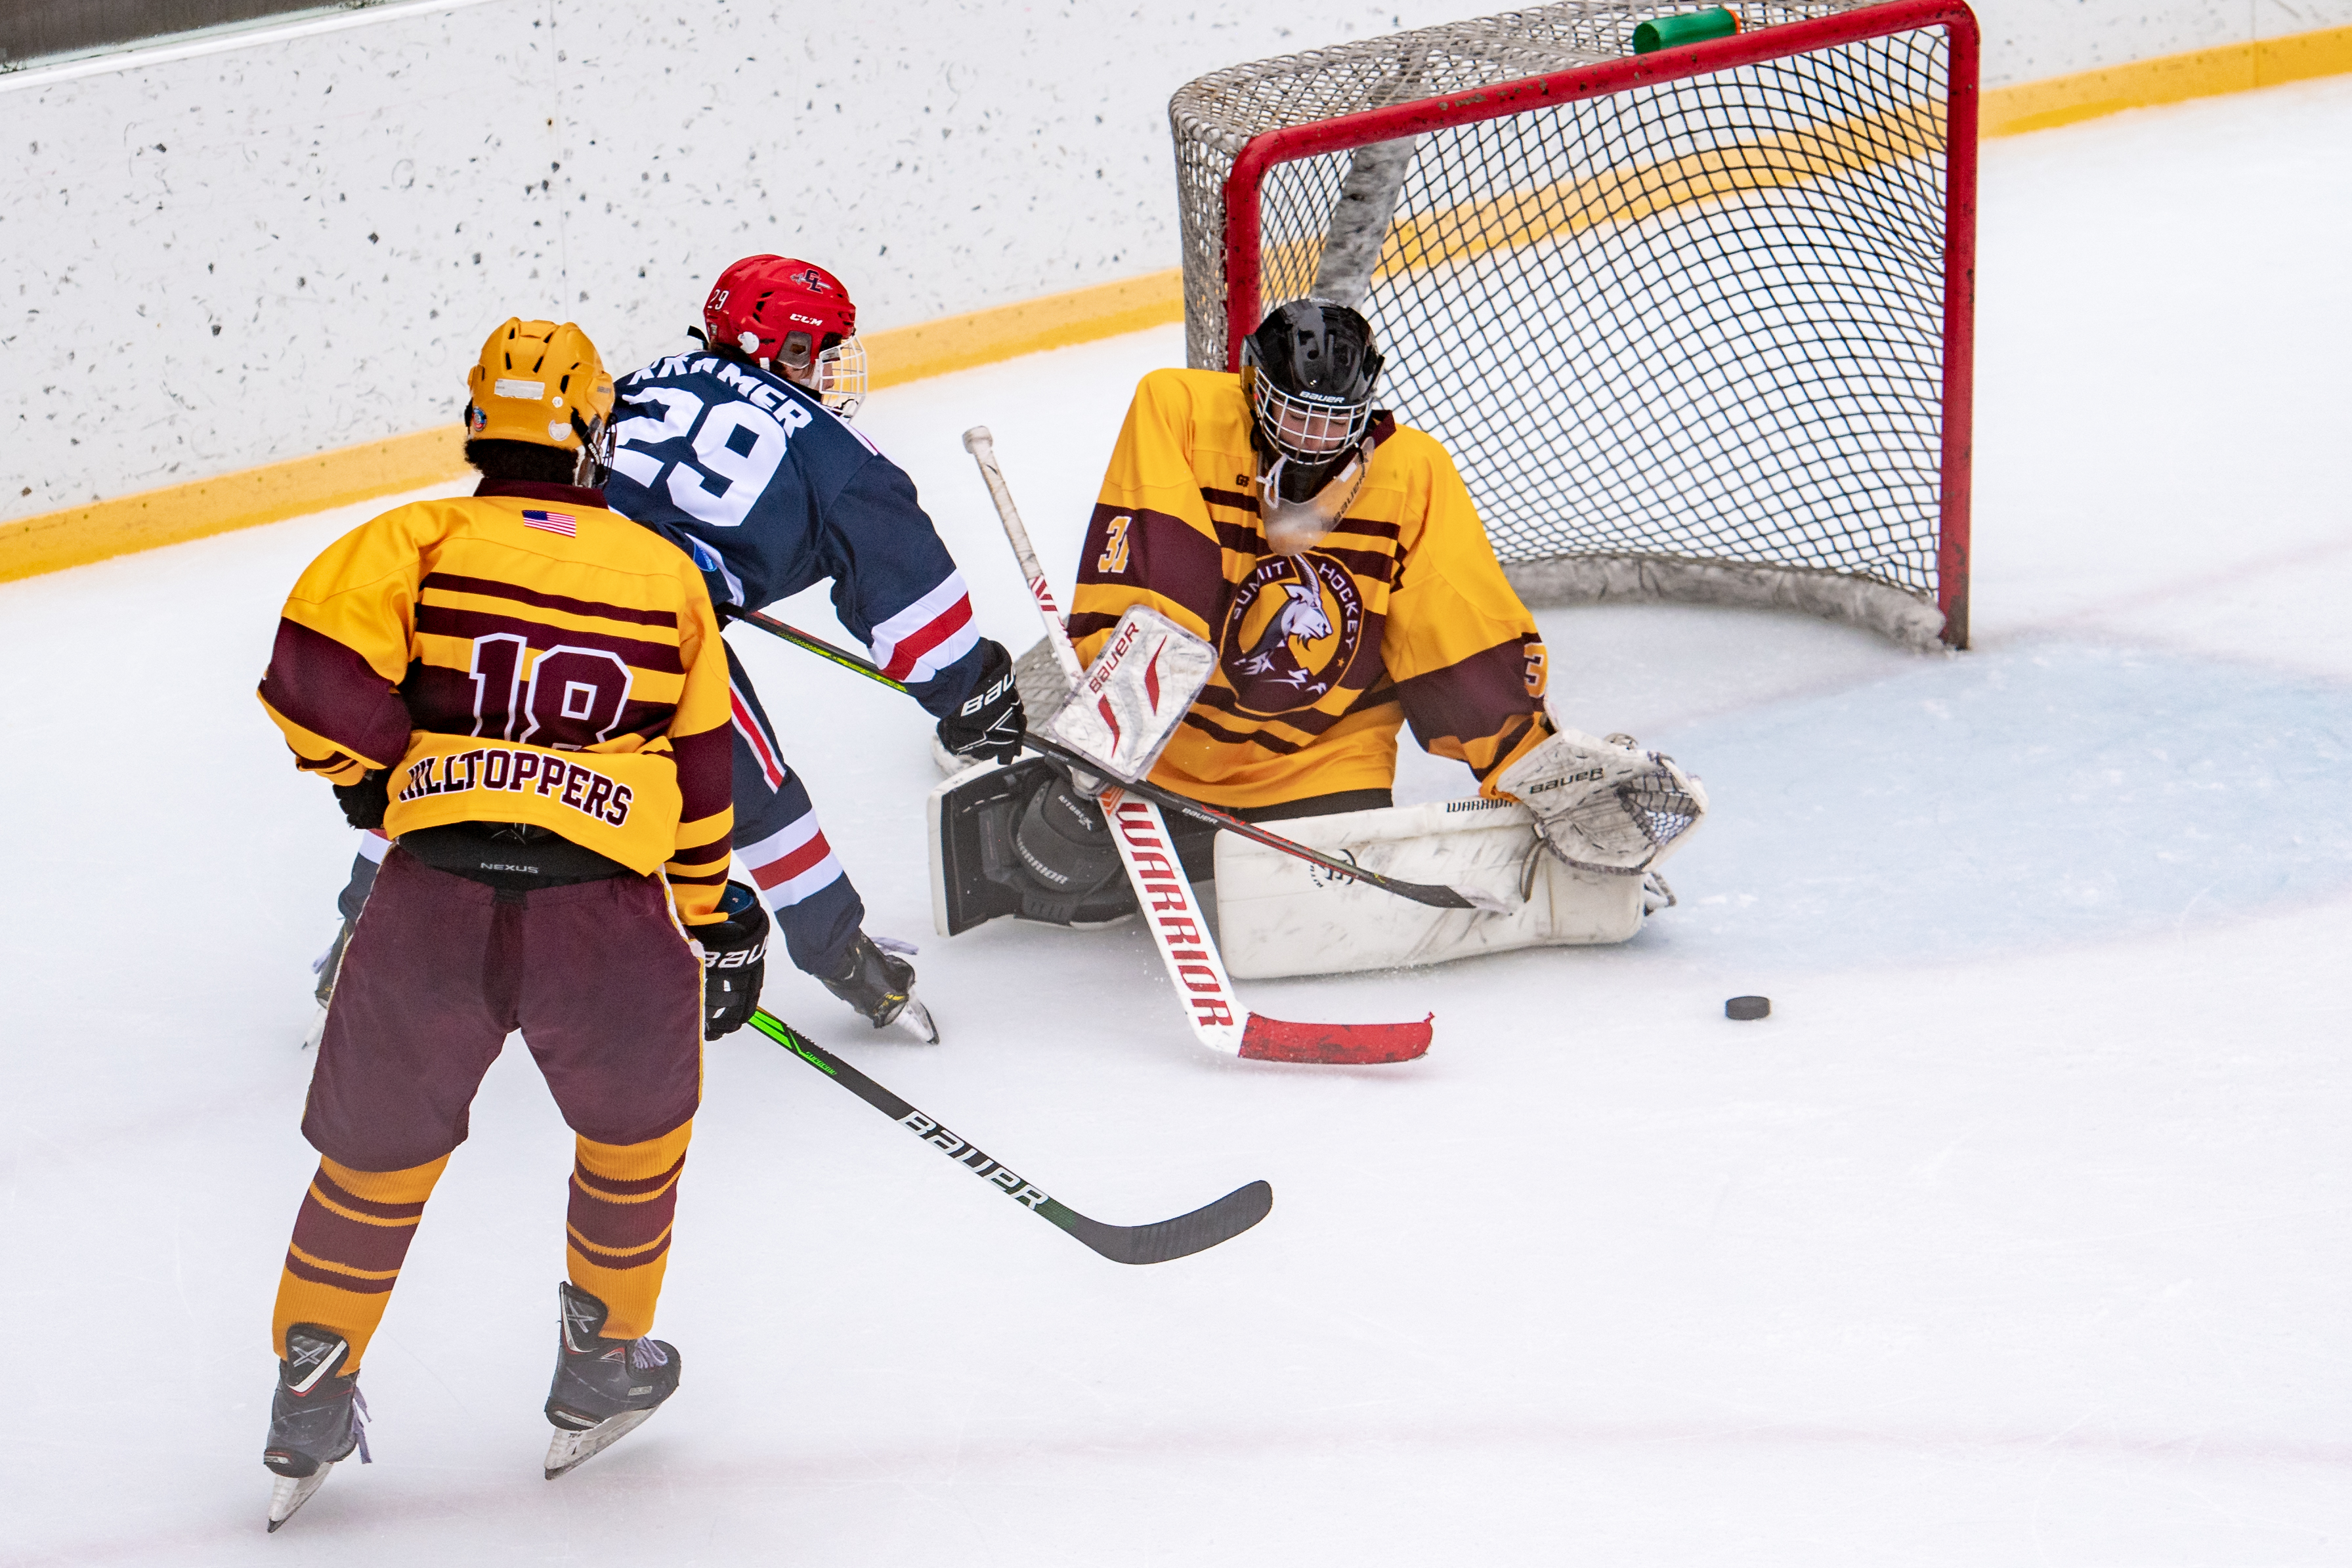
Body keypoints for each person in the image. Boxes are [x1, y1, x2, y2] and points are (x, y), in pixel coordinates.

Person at [253, 318, 763, 1527]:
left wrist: (377, 773)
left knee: (376, 1155)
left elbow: (312, 679)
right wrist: (714, 914)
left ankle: (311, 1381)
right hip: (605, 907)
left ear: (482, 421)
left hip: (431, 893)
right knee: (636, 1143)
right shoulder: (663, 574)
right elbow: (700, 779)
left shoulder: (411, 538)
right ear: (593, 432)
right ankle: (599, 1363)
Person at [314, 257, 1022, 1042]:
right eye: (817, 348)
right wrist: (969, 690)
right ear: (781, 349)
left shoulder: (657, 375)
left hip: (510, 572)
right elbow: (914, 606)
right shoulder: (841, 458)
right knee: (752, 793)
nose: (826, 367)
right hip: (651, 613)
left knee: (452, 743)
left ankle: (358, 935)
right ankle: (849, 964)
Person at [968, 298, 1703, 965]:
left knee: (1330, 909)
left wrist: (1532, 764)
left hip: (1318, 755)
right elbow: (1160, 575)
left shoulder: (1411, 473)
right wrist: (1120, 718)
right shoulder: (1181, 411)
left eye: (1332, 420)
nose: (1313, 437)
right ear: (1254, 388)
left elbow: (1454, 628)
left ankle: (1203, 836)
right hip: (1165, 742)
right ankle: (1118, 799)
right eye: (1294, 414)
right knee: (1053, 863)